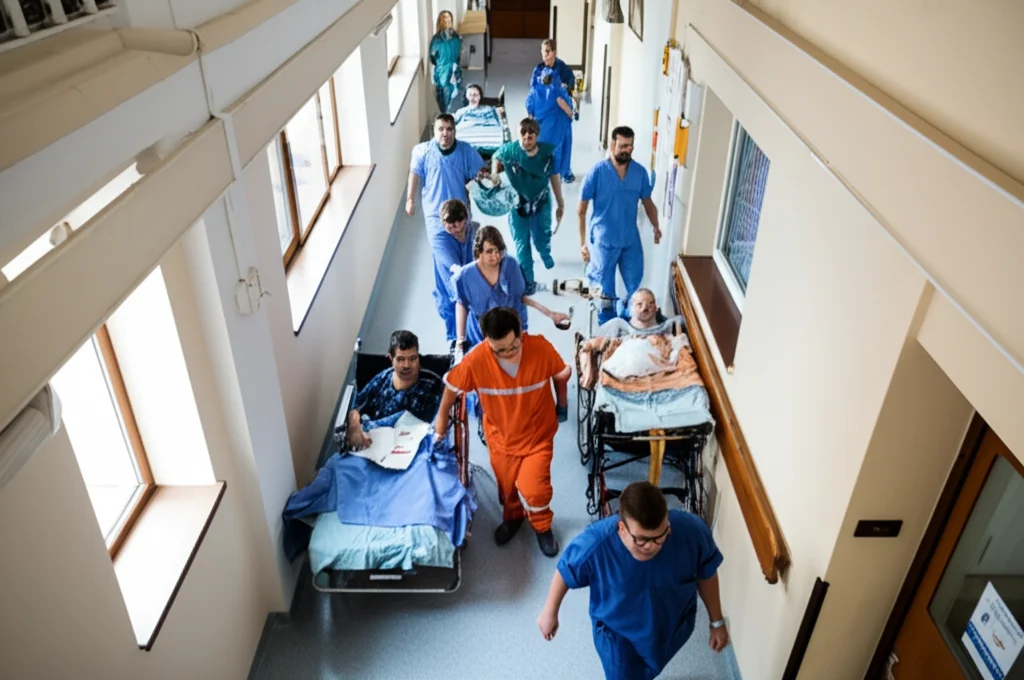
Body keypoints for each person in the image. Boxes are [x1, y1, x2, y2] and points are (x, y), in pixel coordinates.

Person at [537, 482, 729, 679]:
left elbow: (707, 573)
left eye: (660, 536)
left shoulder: (692, 531)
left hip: (670, 627)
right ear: (621, 528)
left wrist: (716, 622)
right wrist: (549, 612)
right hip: (619, 638)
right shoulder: (596, 544)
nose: (652, 546)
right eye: (642, 540)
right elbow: (566, 570)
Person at [436, 307, 571, 557]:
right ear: (487, 340)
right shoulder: (477, 360)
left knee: (535, 489)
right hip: (501, 440)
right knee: (507, 489)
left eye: (514, 346)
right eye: (500, 350)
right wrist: (441, 420)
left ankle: (542, 526)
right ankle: (513, 517)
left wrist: (562, 405)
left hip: (537, 436)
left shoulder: (540, 348)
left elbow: (560, 374)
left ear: (521, 334)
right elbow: (451, 388)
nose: (508, 353)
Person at [578, 126, 662, 325]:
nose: (627, 150)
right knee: (604, 292)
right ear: (612, 144)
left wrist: (656, 226)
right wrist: (583, 244)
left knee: (635, 288)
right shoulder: (597, 172)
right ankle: (608, 327)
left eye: (630, 146)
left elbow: (648, 203)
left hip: (629, 238)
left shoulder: (639, 173)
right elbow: (581, 210)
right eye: (623, 146)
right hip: (603, 240)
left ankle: (628, 323)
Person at [453, 226, 569, 355]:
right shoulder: (465, 276)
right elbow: (461, 304)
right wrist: (460, 341)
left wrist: (551, 314)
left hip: (511, 334)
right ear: (478, 252)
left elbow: (520, 297)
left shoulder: (510, 266)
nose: (495, 256)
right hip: (480, 337)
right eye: (489, 251)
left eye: (498, 251)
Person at [492, 117, 565, 293]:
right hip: (518, 204)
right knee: (522, 244)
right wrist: (495, 174)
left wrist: (560, 202)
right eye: (523, 134)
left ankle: (544, 253)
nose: (526, 137)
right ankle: (528, 282)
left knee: (541, 237)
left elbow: (553, 176)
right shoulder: (510, 151)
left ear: (537, 136)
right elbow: (496, 157)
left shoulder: (547, 154)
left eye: (531, 134)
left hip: (541, 201)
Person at [345, 330, 443, 450]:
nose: (407, 365)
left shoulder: (433, 386)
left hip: (415, 447)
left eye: (412, 359)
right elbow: (356, 407)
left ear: (418, 357)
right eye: (401, 359)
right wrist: (355, 424)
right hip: (373, 444)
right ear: (391, 358)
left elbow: (439, 425)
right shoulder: (382, 379)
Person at [407, 114, 486, 238]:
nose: (445, 133)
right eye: (441, 129)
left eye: (449, 129)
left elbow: (481, 172)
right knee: (441, 247)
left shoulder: (466, 151)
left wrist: (485, 178)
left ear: (454, 131)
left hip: (460, 213)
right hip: (435, 215)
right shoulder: (422, 151)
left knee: (464, 248)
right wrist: (410, 199)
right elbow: (414, 172)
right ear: (434, 131)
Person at [432, 199, 480, 347]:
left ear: (466, 218)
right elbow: (455, 268)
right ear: (443, 223)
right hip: (450, 291)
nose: (455, 227)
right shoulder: (439, 239)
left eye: (459, 221)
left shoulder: (474, 230)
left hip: (472, 287)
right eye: (450, 223)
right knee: (456, 333)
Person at [530, 39, 576, 182]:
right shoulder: (538, 69)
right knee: (543, 142)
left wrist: (569, 111)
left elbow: (568, 90)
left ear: (554, 53)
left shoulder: (562, 69)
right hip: (543, 113)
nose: (544, 55)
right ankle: (544, 170)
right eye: (543, 51)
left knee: (563, 143)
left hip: (559, 114)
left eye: (547, 51)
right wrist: (531, 113)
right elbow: (533, 92)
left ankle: (564, 171)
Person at [526, 69, 574, 188]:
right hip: (558, 124)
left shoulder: (536, 89)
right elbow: (566, 106)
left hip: (541, 126)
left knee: (541, 149)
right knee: (559, 149)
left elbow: (529, 107)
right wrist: (571, 115)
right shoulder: (557, 90)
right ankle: (560, 174)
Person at [597, 288, 684, 338]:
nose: (645, 308)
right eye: (639, 304)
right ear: (632, 308)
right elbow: (594, 344)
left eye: (650, 304)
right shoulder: (617, 325)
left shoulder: (669, 326)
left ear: (655, 307)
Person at [429, 10, 463, 114]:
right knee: (445, 100)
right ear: (440, 21)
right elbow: (433, 57)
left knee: (454, 100)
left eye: (448, 18)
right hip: (443, 74)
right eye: (444, 18)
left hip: (453, 73)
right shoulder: (437, 40)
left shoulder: (455, 37)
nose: (447, 21)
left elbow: (458, 54)